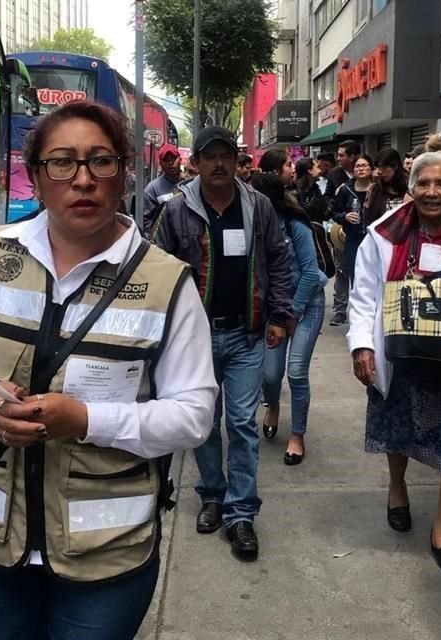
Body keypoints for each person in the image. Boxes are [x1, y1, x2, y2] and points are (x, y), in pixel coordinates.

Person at [0, 100, 218, 639]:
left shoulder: (167, 281)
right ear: (36, 177)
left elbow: (194, 416)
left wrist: (85, 419)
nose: (82, 179)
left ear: (124, 173)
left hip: (107, 559)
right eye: (62, 162)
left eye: (100, 161)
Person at [347, 151, 441, 576]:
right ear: (411, 188)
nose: (433, 192)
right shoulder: (383, 233)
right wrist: (362, 347)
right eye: (424, 184)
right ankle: (397, 487)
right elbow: (363, 296)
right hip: (401, 353)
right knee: (399, 428)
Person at [152, 125, 293, 562]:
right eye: (209, 157)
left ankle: (241, 512)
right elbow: (155, 267)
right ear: (195, 162)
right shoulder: (175, 211)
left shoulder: (259, 206)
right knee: (204, 423)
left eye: (225, 157)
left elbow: (279, 260)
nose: (218, 165)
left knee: (244, 425)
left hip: (247, 334)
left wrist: (280, 314)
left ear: (238, 162)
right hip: (194, 339)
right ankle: (212, 494)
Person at [250, 173, 328, 465]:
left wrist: (292, 314)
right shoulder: (254, 229)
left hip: (307, 305)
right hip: (277, 309)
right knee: (269, 375)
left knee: (296, 372)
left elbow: (309, 274)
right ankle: (272, 407)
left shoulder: (296, 226)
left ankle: (297, 435)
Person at [327, 141, 360, 326]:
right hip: (342, 231)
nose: (338, 158)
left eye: (342, 155)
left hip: (364, 233)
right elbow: (330, 204)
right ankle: (340, 310)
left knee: (361, 273)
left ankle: (359, 311)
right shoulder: (335, 175)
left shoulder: (372, 183)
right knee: (341, 269)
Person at [331, 154, 374, 287]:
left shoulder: (378, 189)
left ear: (371, 169)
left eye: (364, 165)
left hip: (374, 239)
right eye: (357, 166)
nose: (361, 169)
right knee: (355, 277)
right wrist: (345, 216)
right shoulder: (345, 190)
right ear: (353, 170)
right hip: (353, 239)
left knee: (373, 276)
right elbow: (333, 212)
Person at [364, 149, 408, 220]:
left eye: (384, 168)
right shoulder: (375, 190)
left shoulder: (408, 188)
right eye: (378, 168)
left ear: (395, 166)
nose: (380, 172)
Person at [143, 143, 182, 214]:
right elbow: (147, 221)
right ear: (160, 163)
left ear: (180, 159)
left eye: (173, 158)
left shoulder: (191, 183)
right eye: (166, 160)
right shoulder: (152, 189)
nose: (170, 163)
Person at [293, 157, 329, 224]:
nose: (320, 171)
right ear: (309, 170)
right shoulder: (295, 193)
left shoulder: (316, 191)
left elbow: (325, 213)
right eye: (317, 167)